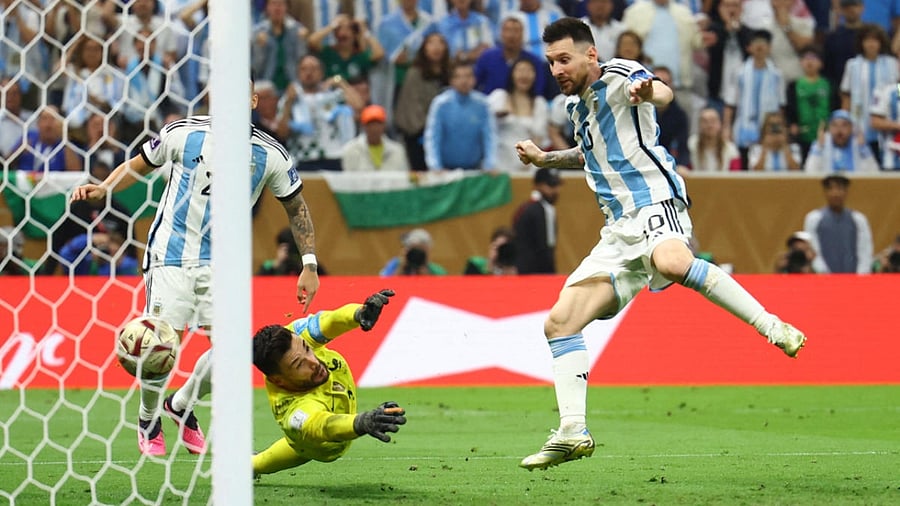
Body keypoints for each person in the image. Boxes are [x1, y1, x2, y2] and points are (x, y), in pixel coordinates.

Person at [513, 17, 807, 471]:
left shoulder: (620, 74)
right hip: (618, 230)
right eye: (551, 61)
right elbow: (590, 155)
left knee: (672, 261)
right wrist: (545, 158)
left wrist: (649, 92)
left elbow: (660, 90)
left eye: (564, 59)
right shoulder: (577, 109)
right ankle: (573, 431)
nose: (556, 70)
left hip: (655, 202)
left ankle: (771, 325)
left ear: (591, 54)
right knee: (559, 323)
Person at [70, 80, 321, 456]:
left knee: (234, 350)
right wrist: (105, 188)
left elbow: (296, 208)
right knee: (158, 345)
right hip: (170, 256)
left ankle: (181, 404)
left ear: (252, 99)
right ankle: (148, 416)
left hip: (224, 263)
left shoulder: (270, 154)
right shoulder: (182, 133)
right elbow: (138, 164)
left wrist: (309, 264)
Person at [252, 289, 406, 477]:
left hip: (334, 394)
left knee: (262, 460)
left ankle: (250, 464)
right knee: (297, 447)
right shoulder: (293, 412)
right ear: (279, 380)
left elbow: (331, 321)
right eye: (300, 364)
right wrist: (361, 422)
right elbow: (325, 426)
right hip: (323, 446)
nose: (314, 362)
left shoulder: (293, 338)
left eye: (307, 349)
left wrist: (360, 313)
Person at [424, 61, 497, 171]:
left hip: (475, 168)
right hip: (445, 168)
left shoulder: (483, 104)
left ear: (474, 79)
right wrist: (435, 166)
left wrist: (490, 165)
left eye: (468, 76)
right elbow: (433, 137)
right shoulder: (440, 104)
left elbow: (490, 137)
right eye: (459, 77)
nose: (464, 81)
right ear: (451, 81)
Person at [803, 174, 873, 274]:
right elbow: (814, 251)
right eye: (831, 189)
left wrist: (861, 276)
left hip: (854, 277)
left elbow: (865, 250)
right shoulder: (813, 218)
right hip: (824, 278)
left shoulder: (858, 219)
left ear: (846, 192)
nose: (835, 193)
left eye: (840, 188)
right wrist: (824, 273)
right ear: (825, 192)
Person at [513, 167, 562, 274]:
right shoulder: (541, 210)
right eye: (551, 185)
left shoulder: (528, 207)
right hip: (535, 272)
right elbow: (544, 247)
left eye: (557, 185)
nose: (556, 190)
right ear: (538, 185)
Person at [803, 109, 879, 173]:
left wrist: (863, 149)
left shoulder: (858, 144)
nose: (839, 131)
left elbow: (874, 174)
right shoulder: (822, 144)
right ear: (829, 128)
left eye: (844, 125)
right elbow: (809, 173)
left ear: (851, 128)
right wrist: (819, 148)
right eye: (834, 125)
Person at [340, 104, 411, 171]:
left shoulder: (398, 151)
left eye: (378, 124)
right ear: (363, 126)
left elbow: (404, 177)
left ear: (384, 125)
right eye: (370, 124)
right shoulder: (351, 150)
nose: (374, 128)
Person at [687, 106, 739, 172]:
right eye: (705, 121)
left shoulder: (731, 150)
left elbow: (736, 177)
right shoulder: (690, 145)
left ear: (720, 124)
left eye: (713, 121)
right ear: (699, 125)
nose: (709, 125)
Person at [379, 228, 447, 276]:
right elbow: (383, 287)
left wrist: (425, 272)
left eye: (420, 251)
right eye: (413, 249)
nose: (416, 255)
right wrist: (400, 268)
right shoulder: (394, 265)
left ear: (428, 251)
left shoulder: (437, 271)